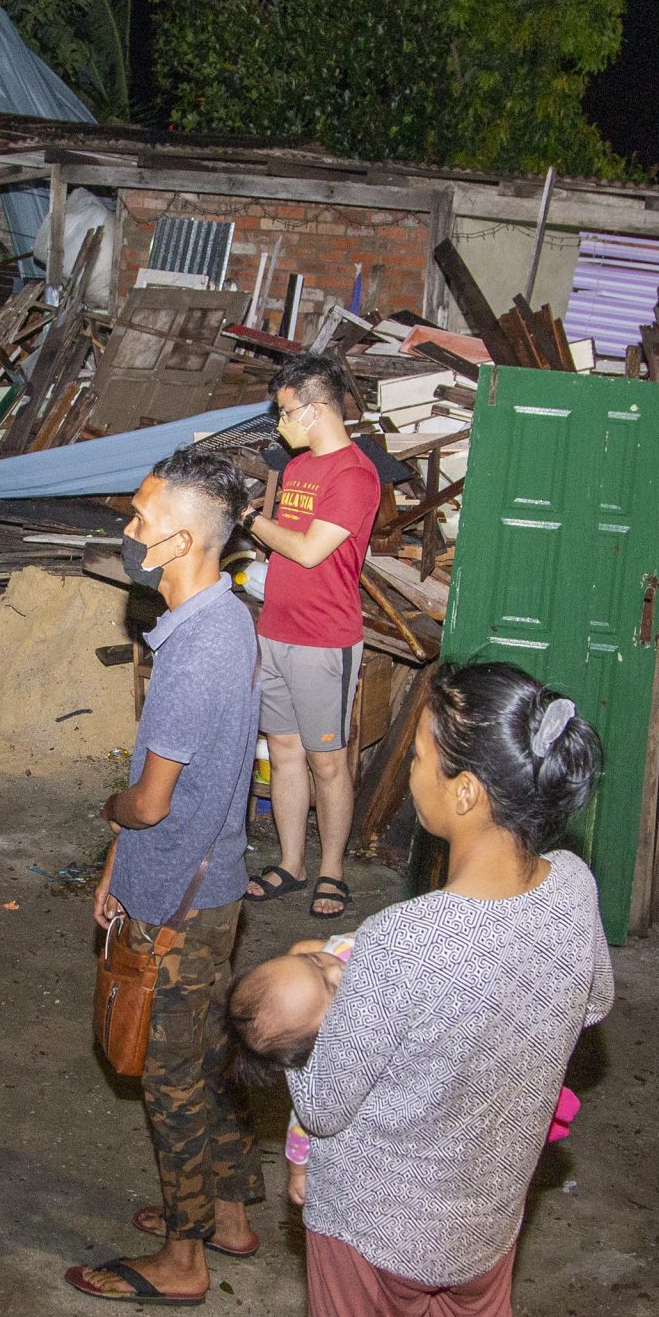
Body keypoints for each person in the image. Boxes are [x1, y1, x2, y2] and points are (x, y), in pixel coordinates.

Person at [284, 661, 612, 1317]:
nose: (414, 772)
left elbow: (324, 1106)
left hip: (376, 1231)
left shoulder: (404, 942)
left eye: (425, 759)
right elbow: (595, 999)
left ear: (467, 793)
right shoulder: (573, 887)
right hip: (488, 1213)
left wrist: (310, 1005)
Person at [64, 446, 264, 1307]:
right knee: (205, 1055)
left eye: (142, 518)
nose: (129, 530)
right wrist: (119, 863)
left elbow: (149, 801)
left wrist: (111, 817)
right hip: (206, 884)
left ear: (181, 539)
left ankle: (185, 1264)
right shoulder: (225, 616)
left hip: (179, 901)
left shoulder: (193, 656)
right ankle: (230, 1213)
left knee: (171, 1081)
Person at [232, 937, 581, 1210]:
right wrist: (297, 1170)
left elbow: (362, 941)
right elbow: (303, 1126)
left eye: (313, 964)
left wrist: (312, 950)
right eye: (331, 990)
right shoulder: (333, 1070)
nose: (337, 970)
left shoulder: (344, 954)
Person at [244, 353, 383, 922]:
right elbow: (282, 543)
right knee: (284, 752)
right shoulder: (298, 470)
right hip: (274, 629)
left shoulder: (354, 475)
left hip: (325, 640)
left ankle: (332, 872)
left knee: (328, 760)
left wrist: (246, 517)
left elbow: (305, 550)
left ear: (316, 408)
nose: (279, 424)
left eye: (284, 412)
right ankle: (292, 862)